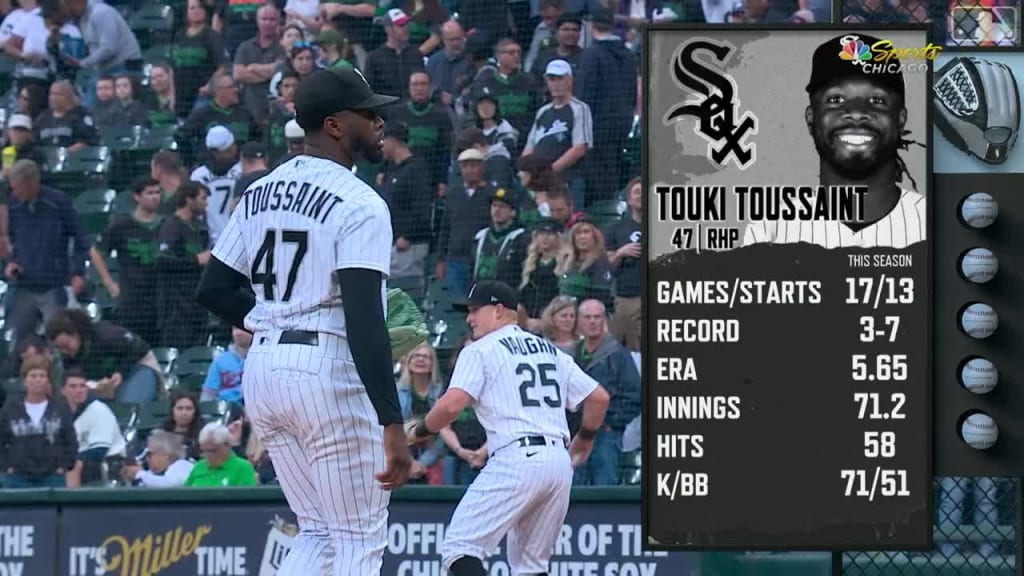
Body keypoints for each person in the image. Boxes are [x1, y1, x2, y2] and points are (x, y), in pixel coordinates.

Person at [195, 66, 413, 574]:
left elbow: (212, 289)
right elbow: (363, 321)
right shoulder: (361, 201)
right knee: (358, 538)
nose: (380, 121)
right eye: (368, 112)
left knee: (316, 530)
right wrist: (392, 422)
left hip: (266, 367)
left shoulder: (259, 191)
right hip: (327, 368)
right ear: (335, 125)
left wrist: (273, 319)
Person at [409, 280, 610, 576]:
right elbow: (599, 397)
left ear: (499, 310)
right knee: (531, 567)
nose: (469, 318)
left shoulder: (480, 350)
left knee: (460, 547)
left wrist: (418, 431)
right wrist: (587, 438)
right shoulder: (549, 350)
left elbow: (451, 406)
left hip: (517, 459)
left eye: (476, 310)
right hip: (558, 464)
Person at [743, 33, 926, 249]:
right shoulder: (771, 229)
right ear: (811, 118)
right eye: (836, 99)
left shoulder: (931, 222)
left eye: (877, 100)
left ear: (900, 119)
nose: (857, 113)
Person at [44, 308, 163, 404]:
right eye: (60, 348)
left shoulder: (105, 335)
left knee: (128, 407)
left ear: (76, 334)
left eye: (66, 345)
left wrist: (120, 372)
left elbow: (137, 346)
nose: (64, 351)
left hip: (138, 367)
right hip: (105, 384)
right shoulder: (68, 358)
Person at [0, 355, 78, 488]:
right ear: (25, 380)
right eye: (33, 375)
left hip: (53, 477)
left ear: (48, 380)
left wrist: (63, 466)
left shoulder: (60, 407)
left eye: (42, 376)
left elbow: (70, 441)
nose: (38, 380)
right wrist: (7, 466)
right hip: (17, 478)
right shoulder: (11, 407)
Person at [61, 368, 126, 486]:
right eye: (73, 386)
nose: (79, 390)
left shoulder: (99, 410)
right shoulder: (59, 413)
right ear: (63, 390)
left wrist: (70, 462)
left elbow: (99, 451)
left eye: (82, 386)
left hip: (107, 466)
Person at [184, 422, 258, 487]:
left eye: (213, 451)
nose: (208, 455)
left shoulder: (243, 468)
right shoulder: (199, 466)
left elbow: (245, 499)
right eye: (204, 451)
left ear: (227, 445)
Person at [121, 429, 195, 487]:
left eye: (149, 454)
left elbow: (169, 485)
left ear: (166, 455)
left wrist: (139, 474)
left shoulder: (182, 465)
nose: (147, 459)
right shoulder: (155, 473)